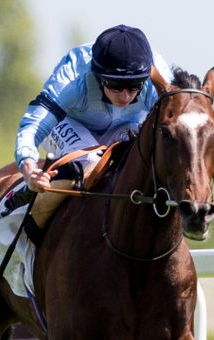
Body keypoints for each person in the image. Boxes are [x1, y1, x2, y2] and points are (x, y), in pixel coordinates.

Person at [14, 24, 173, 226]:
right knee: (91, 161)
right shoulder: (74, 77)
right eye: (115, 86)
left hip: (124, 126)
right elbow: (34, 125)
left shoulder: (157, 75)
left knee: (139, 156)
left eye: (134, 86)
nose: (125, 96)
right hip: (67, 123)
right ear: (99, 77)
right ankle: (26, 222)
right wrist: (29, 169)